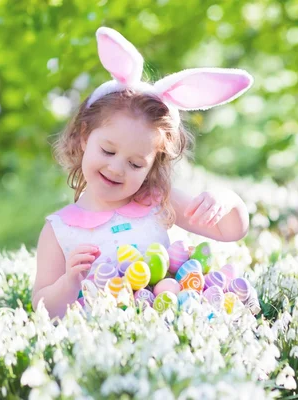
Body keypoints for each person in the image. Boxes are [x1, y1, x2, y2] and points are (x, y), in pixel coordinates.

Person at [32, 26, 253, 318]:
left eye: (136, 164)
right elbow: (42, 306)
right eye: (108, 151)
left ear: (153, 165)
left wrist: (228, 201)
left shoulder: (157, 201)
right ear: (85, 136)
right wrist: (69, 282)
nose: (116, 168)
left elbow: (230, 231)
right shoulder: (59, 229)